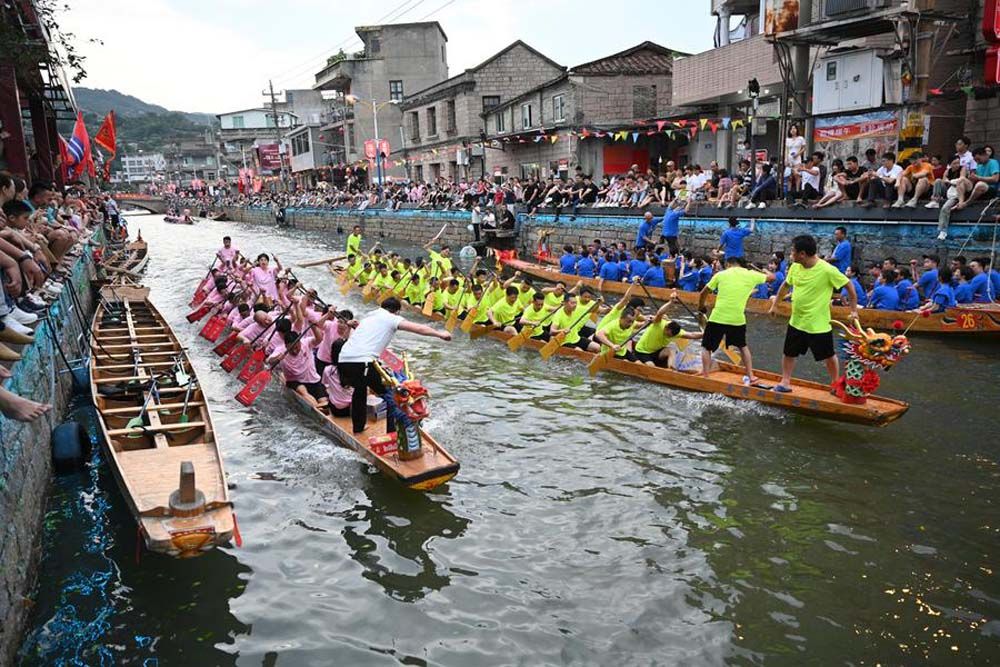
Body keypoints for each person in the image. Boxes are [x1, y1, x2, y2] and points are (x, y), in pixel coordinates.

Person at [337, 297, 452, 434]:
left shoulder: (369, 316)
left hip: (343, 360)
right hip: (363, 362)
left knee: (360, 390)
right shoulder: (391, 318)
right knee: (394, 396)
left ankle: (358, 428)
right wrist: (440, 334)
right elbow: (419, 328)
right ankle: (394, 434)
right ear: (397, 312)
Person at [769, 234, 858, 393]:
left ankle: (835, 383)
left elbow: (849, 286)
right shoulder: (795, 267)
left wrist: (854, 311)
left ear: (802, 254)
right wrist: (775, 305)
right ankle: (785, 381)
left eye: (793, 251)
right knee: (789, 353)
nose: (791, 254)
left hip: (818, 324)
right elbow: (786, 285)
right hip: (797, 320)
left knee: (828, 356)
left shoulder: (827, 270)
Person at [698, 257, 772, 386]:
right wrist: (756, 268)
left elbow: (703, 292)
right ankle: (751, 376)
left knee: (706, 347)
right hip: (737, 319)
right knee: (742, 346)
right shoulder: (751, 274)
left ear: (728, 264)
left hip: (718, 317)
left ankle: (705, 376)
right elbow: (772, 277)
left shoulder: (721, 274)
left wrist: (701, 306)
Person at [634, 299, 701, 366]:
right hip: (642, 352)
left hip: (656, 352)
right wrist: (670, 302)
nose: (669, 337)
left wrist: (706, 333)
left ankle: (671, 368)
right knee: (651, 366)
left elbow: (692, 335)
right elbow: (660, 313)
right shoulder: (658, 323)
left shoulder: (676, 331)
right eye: (668, 335)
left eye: (671, 336)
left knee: (671, 350)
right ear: (666, 328)